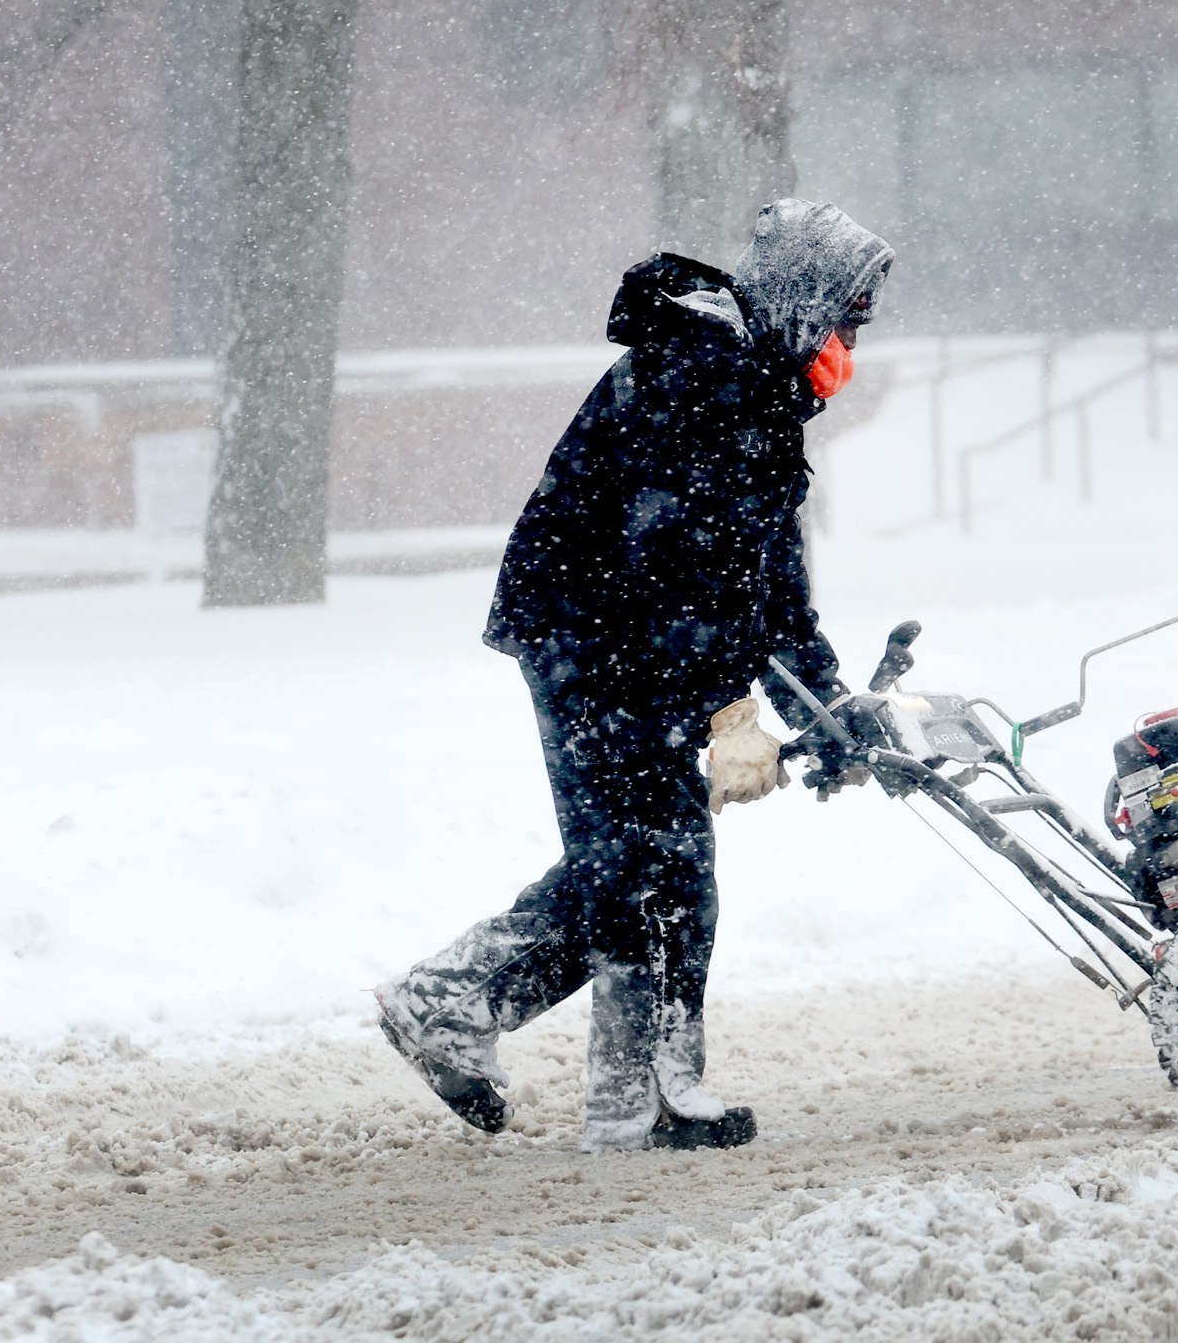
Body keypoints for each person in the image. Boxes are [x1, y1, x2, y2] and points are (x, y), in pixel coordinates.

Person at [374, 198, 893, 1152]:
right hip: (590, 640)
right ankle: (633, 1100)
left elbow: (766, 584)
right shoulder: (705, 379)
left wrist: (830, 706)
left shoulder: (761, 391)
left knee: (643, 864)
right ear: (807, 296)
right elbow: (670, 564)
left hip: (627, 640)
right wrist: (730, 708)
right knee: (657, 868)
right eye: (848, 313)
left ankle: (458, 1006)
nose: (852, 337)